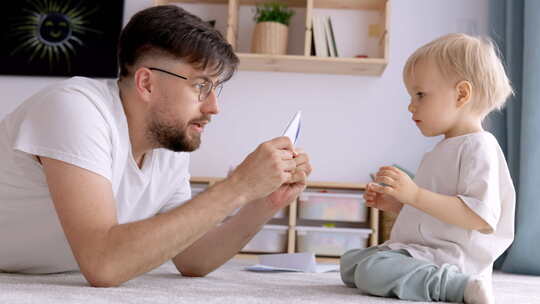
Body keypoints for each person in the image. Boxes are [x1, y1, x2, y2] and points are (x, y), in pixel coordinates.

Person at [0, 5, 312, 287]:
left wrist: (263, 202)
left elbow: (194, 258)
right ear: (147, 83)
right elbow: (103, 264)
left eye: (217, 88)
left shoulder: (166, 145)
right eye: (201, 85)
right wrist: (238, 186)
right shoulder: (74, 109)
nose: (214, 107)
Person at [340, 33, 515, 304]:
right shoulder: (440, 150)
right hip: (423, 251)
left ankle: (459, 286)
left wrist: (414, 195)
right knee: (351, 264)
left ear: (462, 94)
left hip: (451, 259)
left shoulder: (479, 146)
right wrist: (399, 204)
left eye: (420, 94)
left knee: (371, 271)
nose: (411, 105)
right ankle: (422, 276)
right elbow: (436, 215)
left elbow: (478, 217)